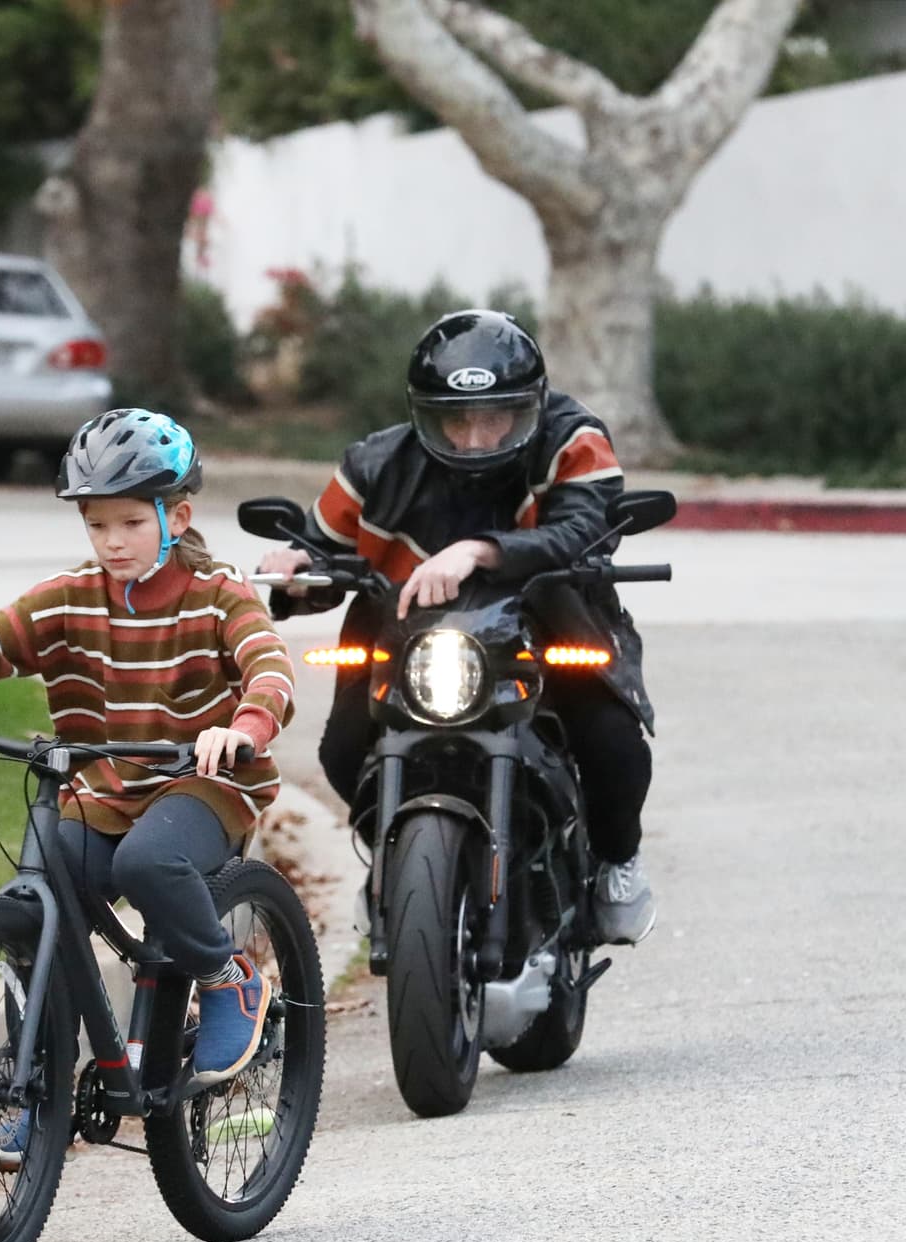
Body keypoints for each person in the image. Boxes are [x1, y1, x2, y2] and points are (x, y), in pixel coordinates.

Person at [0, 407, 296, 1168]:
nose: (114, 541)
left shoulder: (218, 594)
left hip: (205, 780)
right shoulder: (68, 599)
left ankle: (229, 980)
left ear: (177, 515)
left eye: (130, 521)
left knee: (147, 864)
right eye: (98, 525)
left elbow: (268, 664)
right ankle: (36, 1085)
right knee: (42, 901)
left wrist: (246, 726)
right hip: (101, 785)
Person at [258, 308, 656, 944]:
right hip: (402, 639)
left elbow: (586, 527)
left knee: (612, 738)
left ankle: (616, 860)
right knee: (341, 751)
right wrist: (295, 568)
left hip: (550, 622)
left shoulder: (574, 439)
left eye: (494, 416)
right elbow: (322, 548)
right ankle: (398, 861)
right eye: (455, 420)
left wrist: (479, 550)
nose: (474, 438)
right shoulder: (374, 464)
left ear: (531, 404)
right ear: (425, 413)